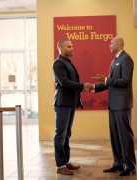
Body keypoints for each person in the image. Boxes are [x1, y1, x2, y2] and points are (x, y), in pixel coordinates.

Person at [91, 36, 137, 176]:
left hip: (122, 104)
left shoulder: (126, 59)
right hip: (113, 104)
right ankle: (118, 163)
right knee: (115, 135)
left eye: (111, 43)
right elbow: (111, 83)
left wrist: (106, 79)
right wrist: (94, 87)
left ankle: (130, 165)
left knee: (125, 135)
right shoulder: (115, 60)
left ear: (118, 44)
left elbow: (125, 81)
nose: (109, 45)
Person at [52, 38, 91, 175]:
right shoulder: (58, 63)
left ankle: (66, 161)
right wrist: (82, 87)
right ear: (61, 48)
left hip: (69, 103)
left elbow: (71, 82)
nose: (72, 48)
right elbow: (64, 82)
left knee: (66, 135)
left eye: (72, 46)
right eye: (69, 46)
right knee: (60, 135)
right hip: (62, 104)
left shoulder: (67, 62)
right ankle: (60, 165)